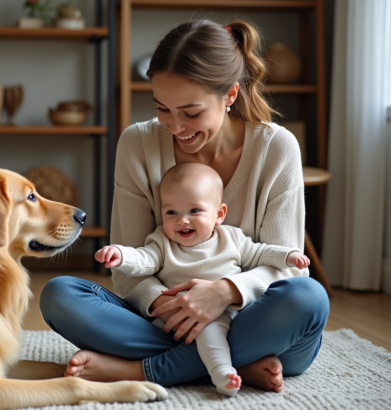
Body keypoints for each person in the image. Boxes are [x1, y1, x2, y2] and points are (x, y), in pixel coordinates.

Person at [40, 19, 329, 392]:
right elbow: (130, 267)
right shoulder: (138, 144)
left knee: (308, 298)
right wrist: (174, 308)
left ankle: (141, 370)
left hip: (251, 318)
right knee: (60, 296)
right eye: (162, 108)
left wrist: (224, 292)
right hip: (166, 319)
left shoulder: (276, 148)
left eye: (191, 112)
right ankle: (233, 362)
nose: (175, 126)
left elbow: (287, 268)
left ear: (229, 95)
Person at [94, 162, 311, 396]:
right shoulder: (162, 241)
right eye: (171, 212)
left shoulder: (232, 238)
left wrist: (288, 256)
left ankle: (221, 371)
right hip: (173, 315)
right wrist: (120, 254)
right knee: (134, 326)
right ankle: (236, 366)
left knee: (210, 331)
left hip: (220, 312)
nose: (182, 220)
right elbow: (143, 259)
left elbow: (261, 252)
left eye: (194, 211)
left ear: (219, 214)